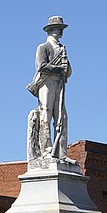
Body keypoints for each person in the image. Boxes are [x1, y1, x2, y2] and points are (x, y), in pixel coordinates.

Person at [27, 16, 72, 161]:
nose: (60, 31)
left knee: (62, 118)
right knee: (45, 114)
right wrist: (59, 68)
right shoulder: (43, 47)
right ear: (51, 30)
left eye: (61, 29)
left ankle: (62, 153)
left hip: (59, 82)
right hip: (46, 83)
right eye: (57, 28)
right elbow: (41, 66)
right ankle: (46, 150)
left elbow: (69, 71)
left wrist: (65, 68)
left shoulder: (62, 49)